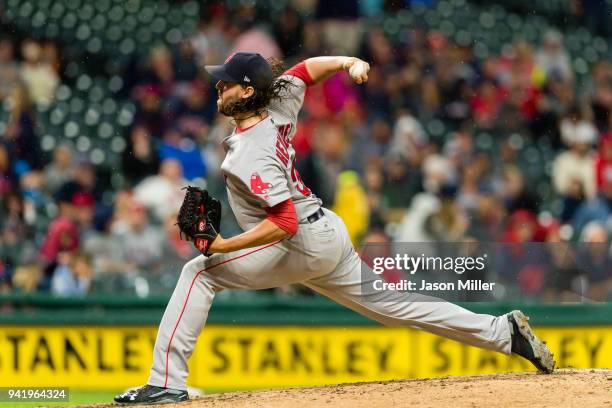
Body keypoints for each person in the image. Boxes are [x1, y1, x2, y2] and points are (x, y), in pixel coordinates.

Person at [115, 53, 554, 405]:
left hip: (299, 240)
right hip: (326, 233)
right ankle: (503, 333)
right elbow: (306, 70)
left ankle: (165, 382)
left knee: (199, 272)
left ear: (247, 91)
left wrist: (226, 244)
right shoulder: (278, 100)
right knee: (395, 307)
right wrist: (348, 62)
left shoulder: (250, 153)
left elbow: (282, 223)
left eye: (225, 82)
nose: (218, 86)